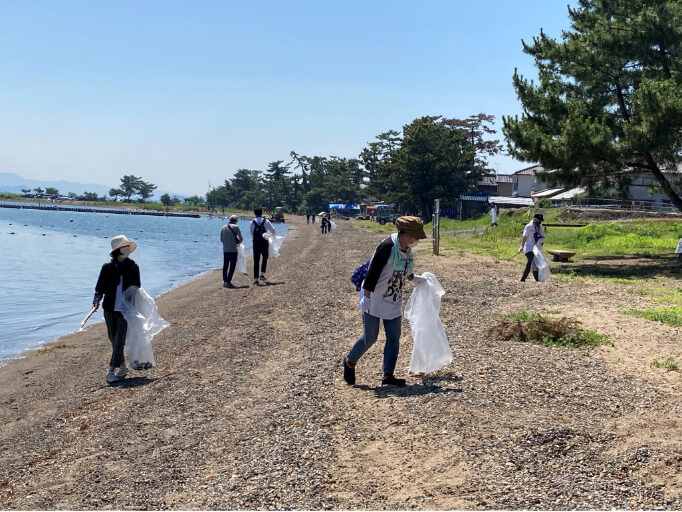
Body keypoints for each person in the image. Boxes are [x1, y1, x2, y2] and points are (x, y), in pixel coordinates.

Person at [343, 216, 427, 387]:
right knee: (370, 337)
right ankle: (350, 361)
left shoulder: (406, 250)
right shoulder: (387, 247)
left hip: (393, 299)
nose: (416, 240)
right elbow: (372, 273)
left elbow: (404, 270)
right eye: (414, 236)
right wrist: (366, 298)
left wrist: (414, 278)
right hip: (373, 297)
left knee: (394, 337)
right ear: (406, 234)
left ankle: (388, 374)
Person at [92, 235, 141, 384]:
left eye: (128, 247)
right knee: (114, 340)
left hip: (125, 310)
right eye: (124, 247)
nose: (127, 249)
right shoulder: (107, 267)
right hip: (109, 308)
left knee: (120, 339)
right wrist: (96, 301)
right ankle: (123, 368)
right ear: (118, 250)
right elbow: (99, 288)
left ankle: (110, 372)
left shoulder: (133, 267)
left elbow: (136, 288)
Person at [251, 208, 276, 285]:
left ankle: (255, 279)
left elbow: (252, 233)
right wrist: (269, 235)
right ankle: (261, 274)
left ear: (254, 213)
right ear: (261, 213)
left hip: (256, 243)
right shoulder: (266, 221)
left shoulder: (252, 222)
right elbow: (273, 230)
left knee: (256, 260)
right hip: (264, 242)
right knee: (265, 257)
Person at [520, 212, 545, 282]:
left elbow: (542, 238)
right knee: (532, 261)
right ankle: (537, 279)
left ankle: (523, 279)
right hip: (528, 248)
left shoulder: (540, 228)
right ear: (534, 219)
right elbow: (524, 237)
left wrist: (541, 243)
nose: (539, 222)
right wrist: (522, 246)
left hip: (536, 249)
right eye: (538, 220)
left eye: (540, 221)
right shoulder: (528, 226)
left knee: (531, 263)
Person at [220, 215, 243, 288]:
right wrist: (238, 245)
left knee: (225, 265)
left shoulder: (223, 227)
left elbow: (221, 239)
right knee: (232, 266)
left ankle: (224, 281)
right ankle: (228, 281)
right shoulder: (236, 227)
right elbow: (241, 239)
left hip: (225, 250)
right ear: (236, 221)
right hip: (233, 250)